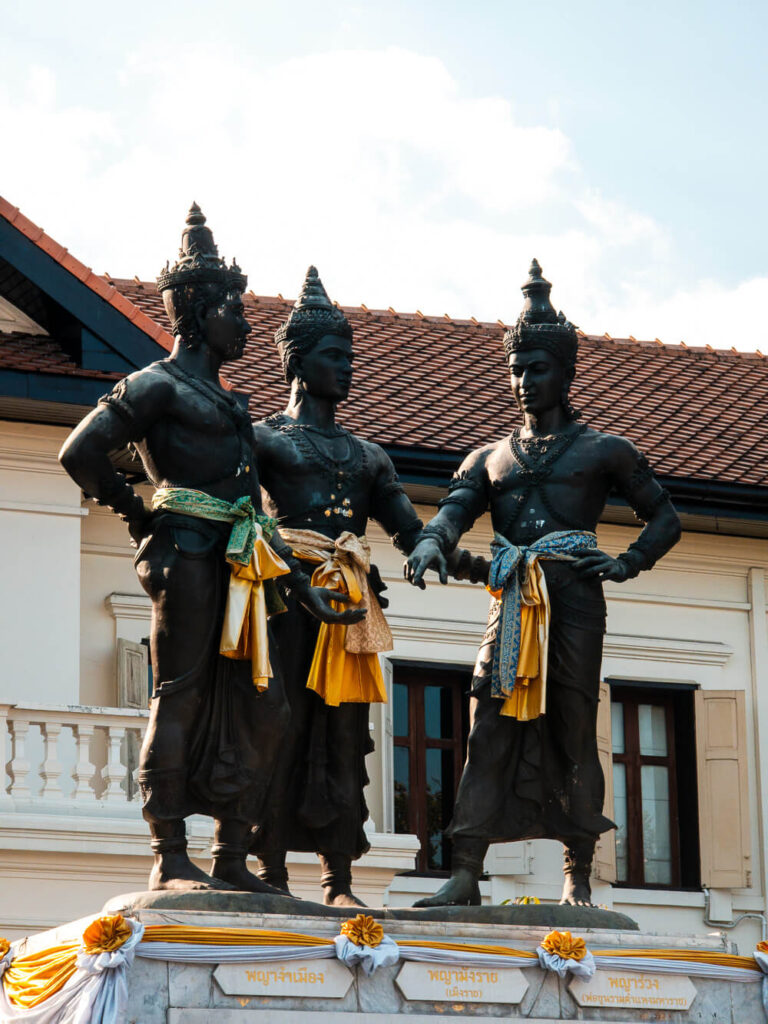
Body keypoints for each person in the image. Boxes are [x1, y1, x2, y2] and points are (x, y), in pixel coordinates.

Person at [59, 207, 358, 893]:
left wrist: (302, 588)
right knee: (181, 694)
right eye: (235, 310)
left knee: (265, 706)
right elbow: (80, 452)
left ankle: (230, 854)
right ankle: (169, 854)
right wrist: (139, 513)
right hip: (187, 551)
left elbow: (254, 508)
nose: (247, 324)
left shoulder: (229, 402)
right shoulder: (154, 386)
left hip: (240, 559)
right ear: (198, 314)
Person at [405, 260, 681, 907]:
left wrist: (627, 562)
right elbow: (451, 513)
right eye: (516, 370)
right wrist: (430, 541)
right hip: (512, 602)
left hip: (575, 601)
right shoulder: (488, 458)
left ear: (565, 372)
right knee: (488, 726)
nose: (525, 381)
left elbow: (664, 517)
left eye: (537, 369)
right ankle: (466, 869)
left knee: (572, 727)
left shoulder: (604, 450)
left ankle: (577, 871)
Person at [249, 266, 427, 906]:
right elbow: (246, 519)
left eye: (349, 356)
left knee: (344, 734)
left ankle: (338, 879)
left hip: (350, 603)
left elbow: (409, 529)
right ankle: (268, 869)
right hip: (286, 598)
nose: (347, 368)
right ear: (298, 363)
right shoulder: (265, 440)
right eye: (334, 356)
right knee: (279, 725)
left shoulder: (368, 456)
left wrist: (437, 548)